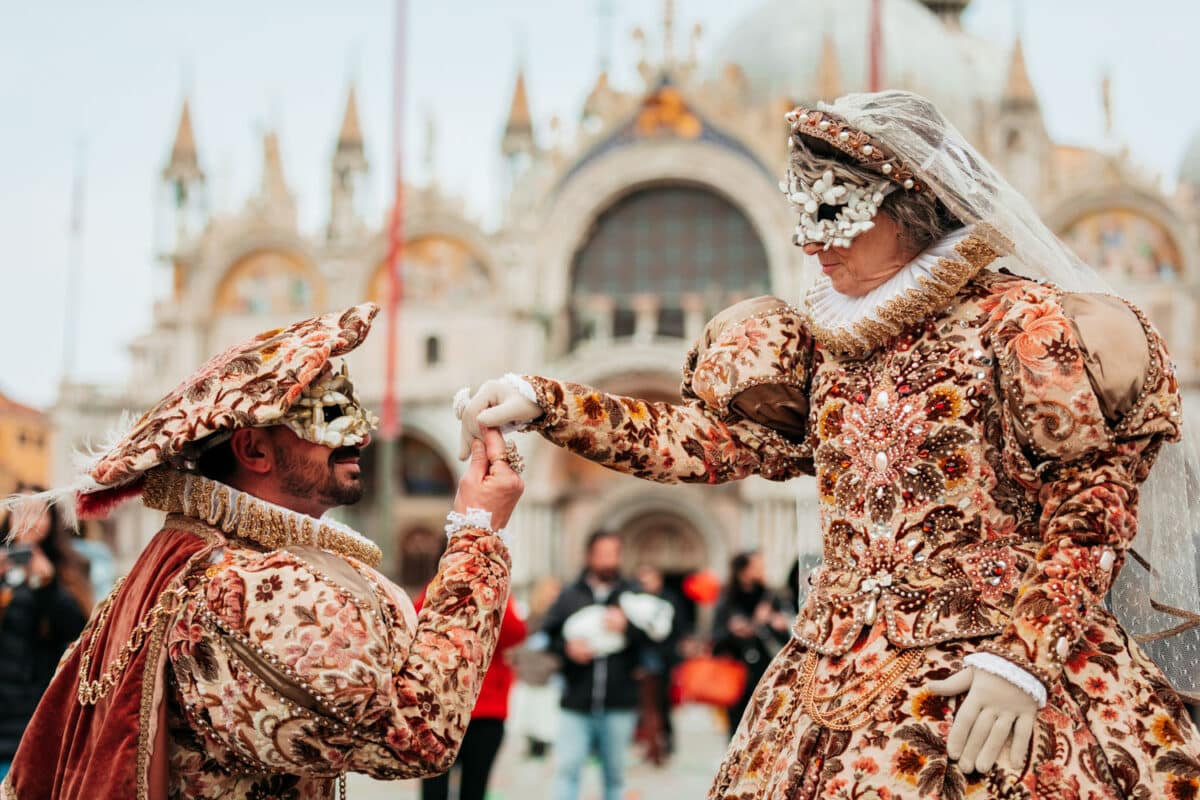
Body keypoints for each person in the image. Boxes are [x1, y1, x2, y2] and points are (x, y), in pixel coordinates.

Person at [459, 91, 1200, 798]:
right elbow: (710, 442)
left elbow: (1091, 508)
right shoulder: (823, 350)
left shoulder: (1026, 329)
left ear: (909, 206)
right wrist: (550, 405)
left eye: (834, 211)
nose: (811, 241)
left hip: (996, 673)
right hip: (830, 679)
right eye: (801, 213)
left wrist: (1025, 662)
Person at [0, 302, 525, 800]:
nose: (361, 437)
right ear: (253, 448)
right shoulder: (242, 587)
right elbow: (417, 734)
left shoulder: (192, 557)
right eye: (329, 416)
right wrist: (480, 530)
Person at [540, 531, 661, 800]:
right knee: (567, 770)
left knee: (615, 776)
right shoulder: (569, 596)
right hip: (576, 700)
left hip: (619, 702)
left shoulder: (633, 595)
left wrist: (626, 628)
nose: (609, 561)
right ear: (589, 556)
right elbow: (547, 637)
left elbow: (657, 640)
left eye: (614, 554)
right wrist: (567, 648)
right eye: (603, 554)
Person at [0, 490, 92, 780]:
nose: (29, 521)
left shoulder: (67, 568)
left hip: (35, 710)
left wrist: (47, 584)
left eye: (38, 512)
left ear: (52, 521)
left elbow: (80, 630)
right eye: (21, 511)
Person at [417, 591, 527, 800]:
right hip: (440, 712)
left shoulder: (494, 593)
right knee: (434, 790)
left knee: (474, 788)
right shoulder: (437, 589)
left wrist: (491, 596)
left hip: (484, 711)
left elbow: (515, 633)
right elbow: (413, 624)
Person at [711, 551, 790, 738]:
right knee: (737, 726)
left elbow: (784, 636)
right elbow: (716, 637)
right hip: (735, 670)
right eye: (757, 566)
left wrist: (772, 622)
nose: (762, 570)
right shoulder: (728, 599)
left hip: (764, 669)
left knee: (764, 723)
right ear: (743, 570)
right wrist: (734, 631)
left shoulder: (769, 596)